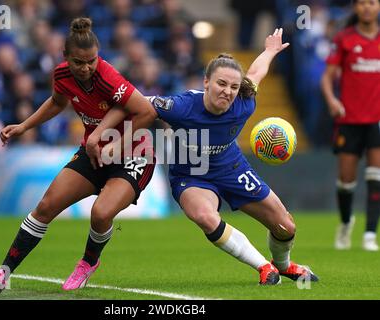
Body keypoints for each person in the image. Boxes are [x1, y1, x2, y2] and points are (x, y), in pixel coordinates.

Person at [89, 28, 319, 285]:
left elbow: (255, 73)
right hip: (191, 175)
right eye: (221, 84)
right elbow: (134, 103)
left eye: (233, 86)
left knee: (286, 226)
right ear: (206, 82)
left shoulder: (244, 102)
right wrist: (108, 138)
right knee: (205, 216)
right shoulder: (181, 106)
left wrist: (270, 50)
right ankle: (264, 267)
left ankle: (284, 265)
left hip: (230, 166)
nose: (227, 91)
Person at [0, 17, 156, 294]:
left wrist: (114, 145)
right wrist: (24, 126)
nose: (86, 68)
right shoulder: (61, 75)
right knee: (46, 207)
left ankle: (88, 263)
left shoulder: (108, 76)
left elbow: (147, 112)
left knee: (101, 213)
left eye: (91, 61)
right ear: (65, 58)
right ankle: (3, 273)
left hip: (133, 153)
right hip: (94, 152)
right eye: (79, 62)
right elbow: (58, 102)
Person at [321, 0, 380, 251]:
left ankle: (369, 234)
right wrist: (332, 100)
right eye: (362, 3)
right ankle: (346, 223)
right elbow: (327, 77)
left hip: (376, 121)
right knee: (346, 181)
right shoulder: (344, 39)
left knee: (375, 177)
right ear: (356, 8)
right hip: (348, 120)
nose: (367, 7)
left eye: (372, 2)